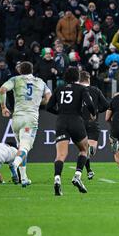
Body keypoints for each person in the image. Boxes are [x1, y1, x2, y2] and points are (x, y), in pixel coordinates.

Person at [0, 61, 52, 187]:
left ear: (20, 71)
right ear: (32, 70)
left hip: (16, 118)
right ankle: (15, 164)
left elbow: (2, 89)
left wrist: (3, 107)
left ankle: (24, 178)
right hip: (30, 118)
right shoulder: (40, 82)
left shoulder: (15, 79)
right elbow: (49, 97)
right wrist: (38, 102)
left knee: (21, 147)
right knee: (25, 147)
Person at [46, 67, 96, 196]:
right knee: (84, 149)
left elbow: (48, 107)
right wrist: (93, 113)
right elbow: (89, 103)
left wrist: (60, 113)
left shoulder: (58, 89)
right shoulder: (81, 89)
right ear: (77, 77)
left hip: (61, 122)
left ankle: (57, 179)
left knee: (60, 155)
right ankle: (77, 176)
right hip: (76, 121)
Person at [78, 71, 109, 180]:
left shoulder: (76, 90)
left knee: (82, 150)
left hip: (79, 123)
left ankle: (88, 171)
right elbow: (106, 105)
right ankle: (88, 169)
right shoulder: (95, 90)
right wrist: (96, 111)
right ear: (89, 79)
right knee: (90, 150)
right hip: (92, 123)